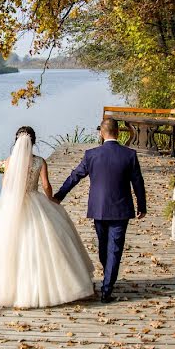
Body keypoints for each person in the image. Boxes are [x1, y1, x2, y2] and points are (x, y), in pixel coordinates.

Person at [0, 126, 95, 311]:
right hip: (35, 200)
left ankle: (7, 290)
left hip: (14, 204)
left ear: (16, 142)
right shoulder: (40, 162)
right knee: (44, 243)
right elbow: (46, 185)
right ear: (34, 142)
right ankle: (50, 287)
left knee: (9, 245)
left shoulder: (10, 161)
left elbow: (6, 186)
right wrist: (52, 199)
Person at [54, 118, 146, 303]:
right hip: (121, 208)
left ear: (101, 133)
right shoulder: (129, 155)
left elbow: (75, 176)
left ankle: (107, 285)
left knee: (104, 246)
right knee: (113, 248)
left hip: (99, 208)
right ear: (118, 133)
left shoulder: (91, 154)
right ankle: (108, 282)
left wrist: (59, 195)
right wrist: (141, 205)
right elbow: (138, 182)